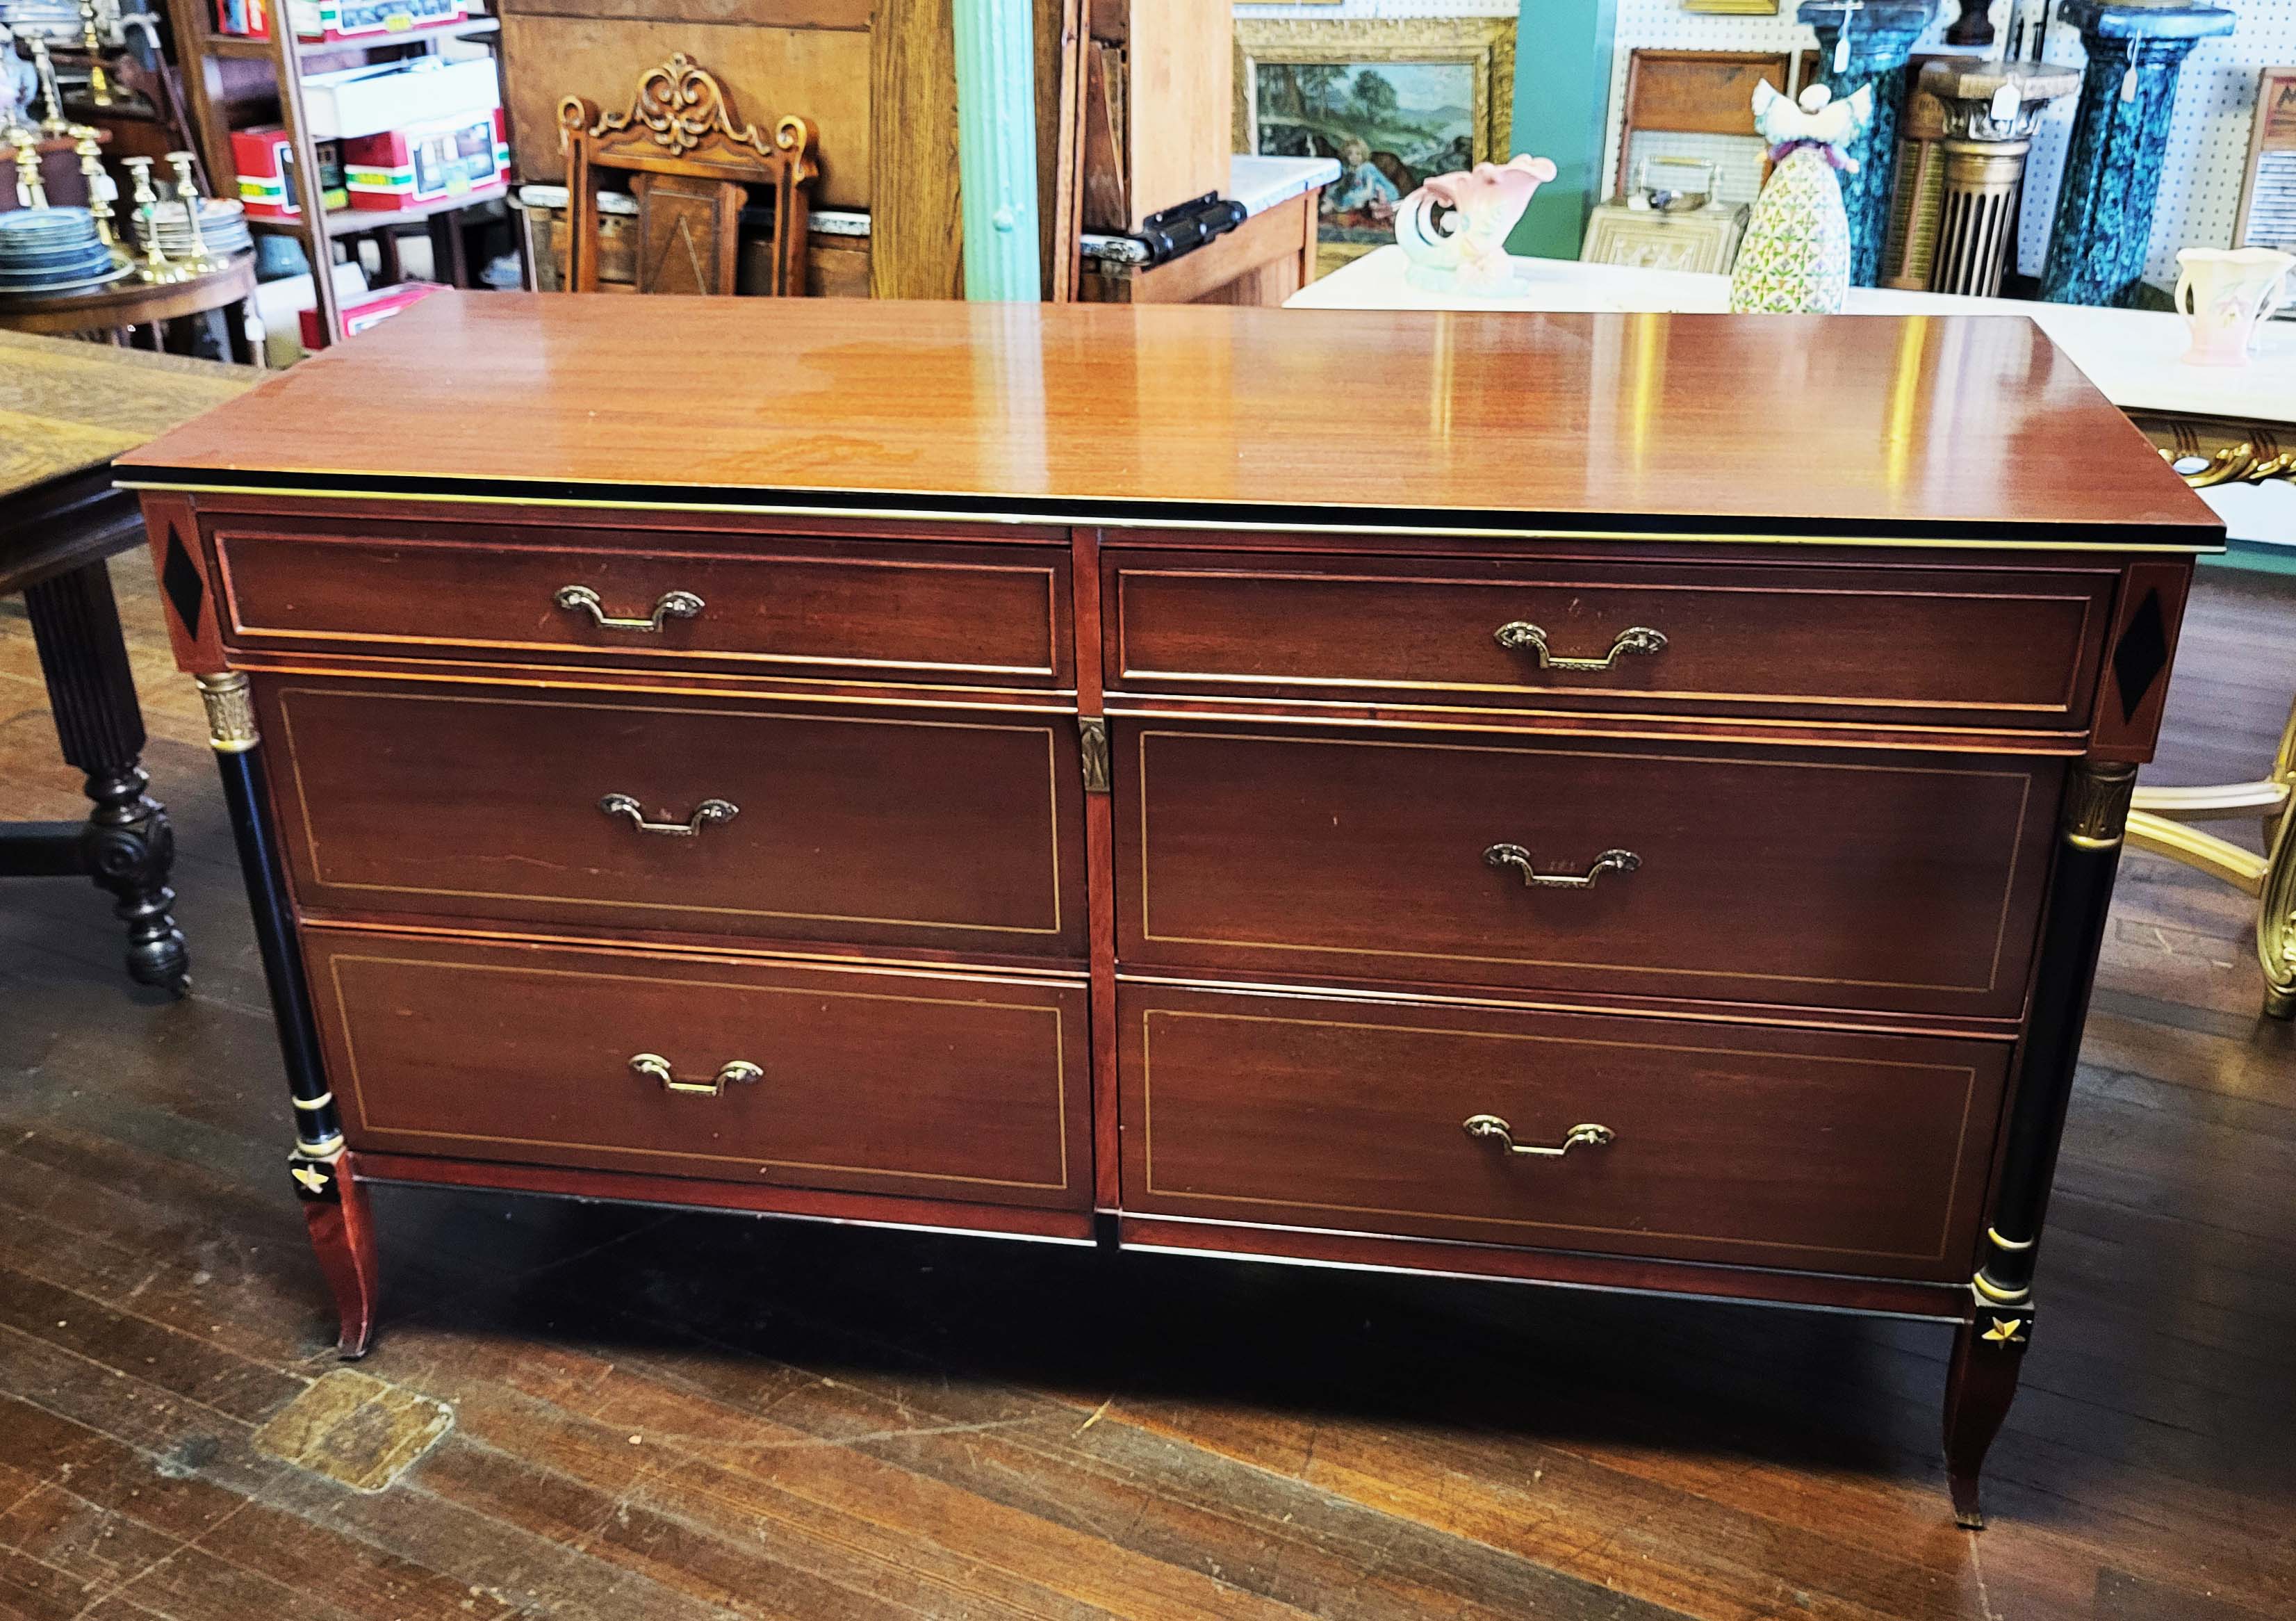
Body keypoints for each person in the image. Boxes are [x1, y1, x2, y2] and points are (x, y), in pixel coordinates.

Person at [1325, 138, 1400, 225]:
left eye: (1358, 154)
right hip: (1362, 193)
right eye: (1350, 154)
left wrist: (1352, 197)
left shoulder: (1367, 168)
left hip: (1382, 193)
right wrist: (1334, 192)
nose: (1354, 157)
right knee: (1338, 196)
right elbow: (1343, 184)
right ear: (1345, 155)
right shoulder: (1347, 168)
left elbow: (1369, 191)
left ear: (1363, 155)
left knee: (1357, 202)